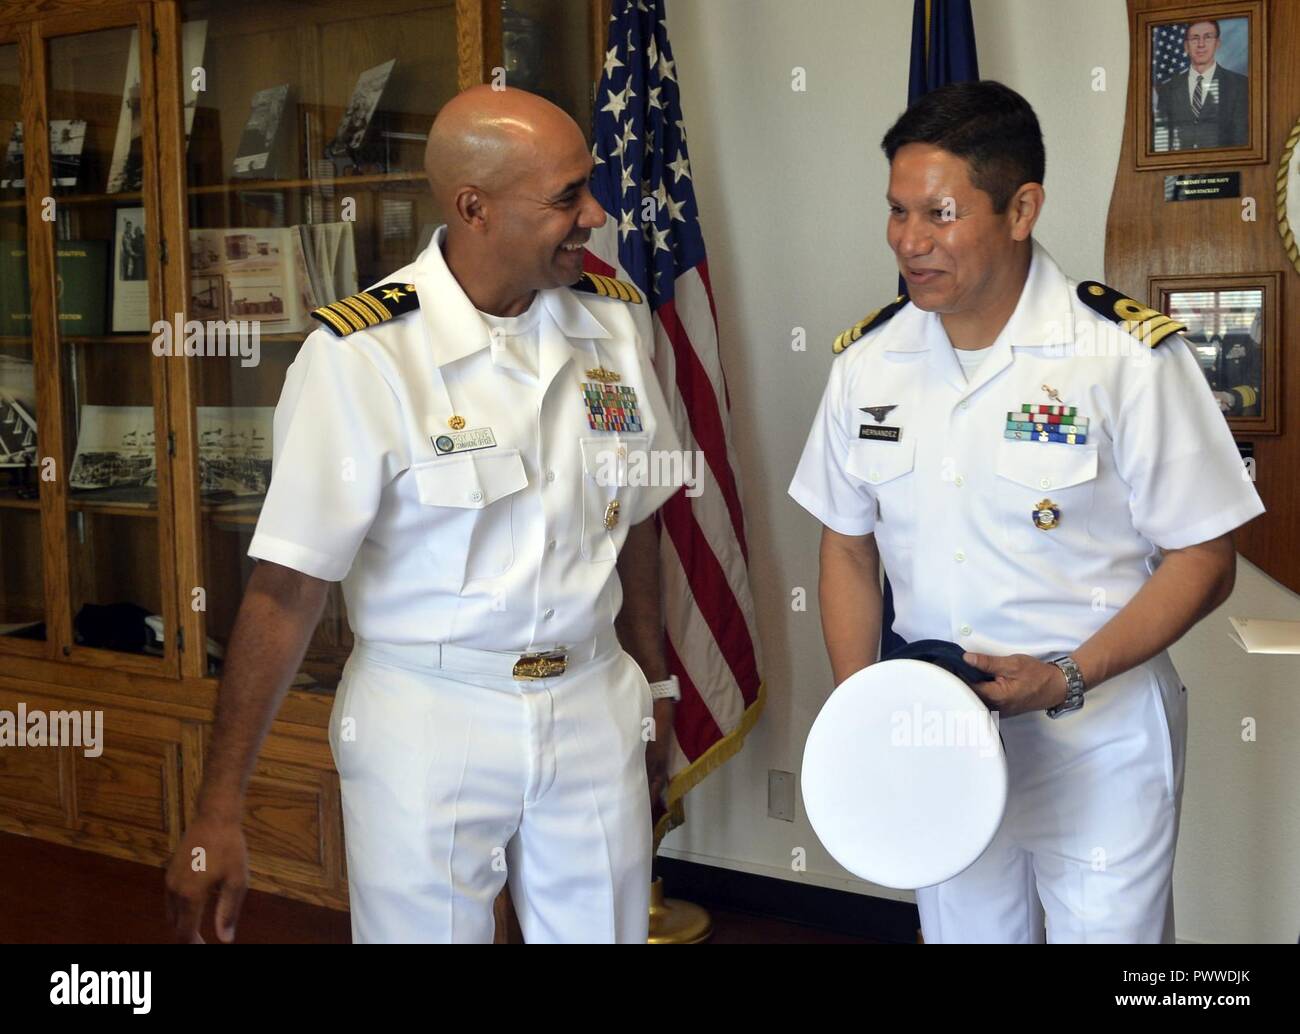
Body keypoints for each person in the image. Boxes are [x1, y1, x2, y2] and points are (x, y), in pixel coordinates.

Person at [165, 85, 683, 944]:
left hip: (594, 697)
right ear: (473, 207)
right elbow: (287, 586)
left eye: (587, 186)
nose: (595, 212)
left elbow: (640, 517)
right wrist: (221, 805)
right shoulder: (362, 356)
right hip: (430, 716)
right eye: (566, 197)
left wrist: (656, 680)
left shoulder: (613, 323)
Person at [788, 80, 1264, 943]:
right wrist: (869, 710)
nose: (910, 242)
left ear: (1022, 209)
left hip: (1098, 735)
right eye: (897, 213)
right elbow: (847, 547)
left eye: (938, 213)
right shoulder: (869, 363)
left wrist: (1067, 675)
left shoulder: (1123, 358)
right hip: (939, 737)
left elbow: (1205, 558)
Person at [1154, 19, 1248, 151]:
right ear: (1186, 46)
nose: (1201, 44)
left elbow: (1242, 141)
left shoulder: (1240, 85)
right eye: (1194, 38)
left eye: (1208, 37)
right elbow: (1162, 143)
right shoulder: (1168, 89)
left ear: (1217, 43)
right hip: (1179, 170)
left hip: (1224, 170)